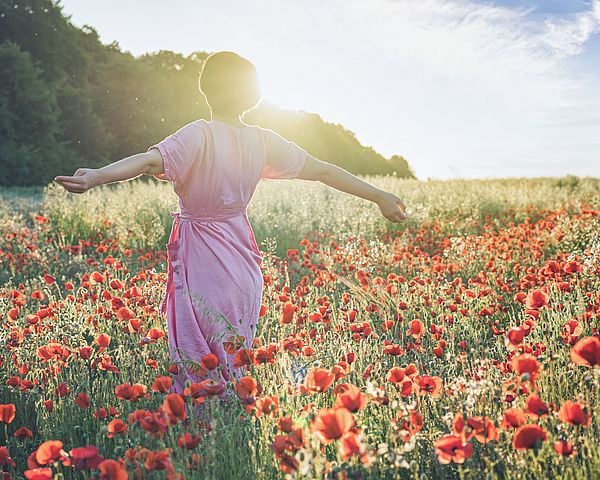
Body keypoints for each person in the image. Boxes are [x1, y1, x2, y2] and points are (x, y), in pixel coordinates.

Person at [54, 50, 408, 396]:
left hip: (205, 260)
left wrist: (98, 176)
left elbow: (149, 162)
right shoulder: (263, 141)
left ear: (206, 90)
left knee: (200, 357)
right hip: (242, 262)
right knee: (232, 357)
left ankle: (205, 433)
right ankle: (233, 426)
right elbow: (323, 170)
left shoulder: (199, 134)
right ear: (252, 97)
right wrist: (378, 195)